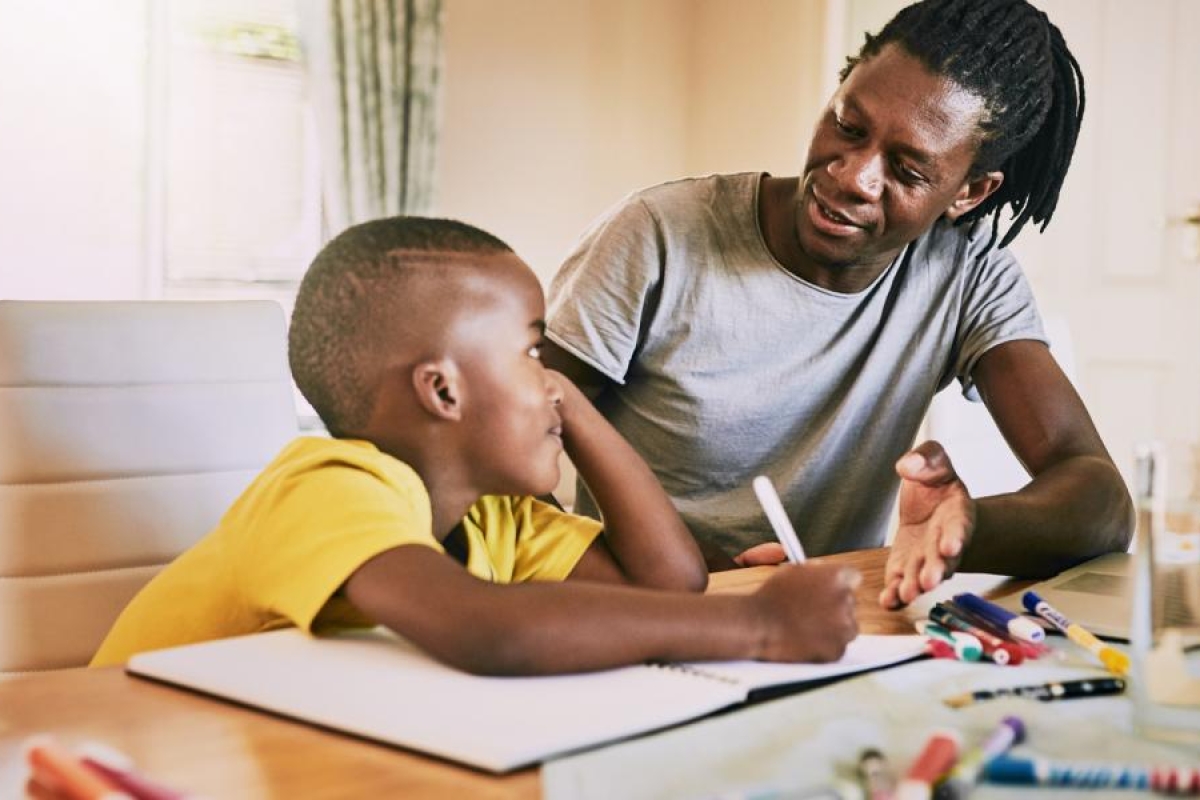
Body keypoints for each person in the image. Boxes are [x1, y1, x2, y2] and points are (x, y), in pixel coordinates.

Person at [541, 0, 1133, 610]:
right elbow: (488, 459)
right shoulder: (657, 237)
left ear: (970, 192)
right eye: (848, 127)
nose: (853, 175)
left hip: (828, 627)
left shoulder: (966, 273)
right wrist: (687, 578)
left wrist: (964, 531)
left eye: (907, 169)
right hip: (644, 609)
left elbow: (1100, 502)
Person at [91, 216, 859, 674]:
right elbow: (489, 629)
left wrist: (570, 409)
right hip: (119, 762)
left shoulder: (495, 520)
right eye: (533, 352)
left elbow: (667, 584)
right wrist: (760, 627)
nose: (553, 379)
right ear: (444, 391)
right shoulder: (326, 486)